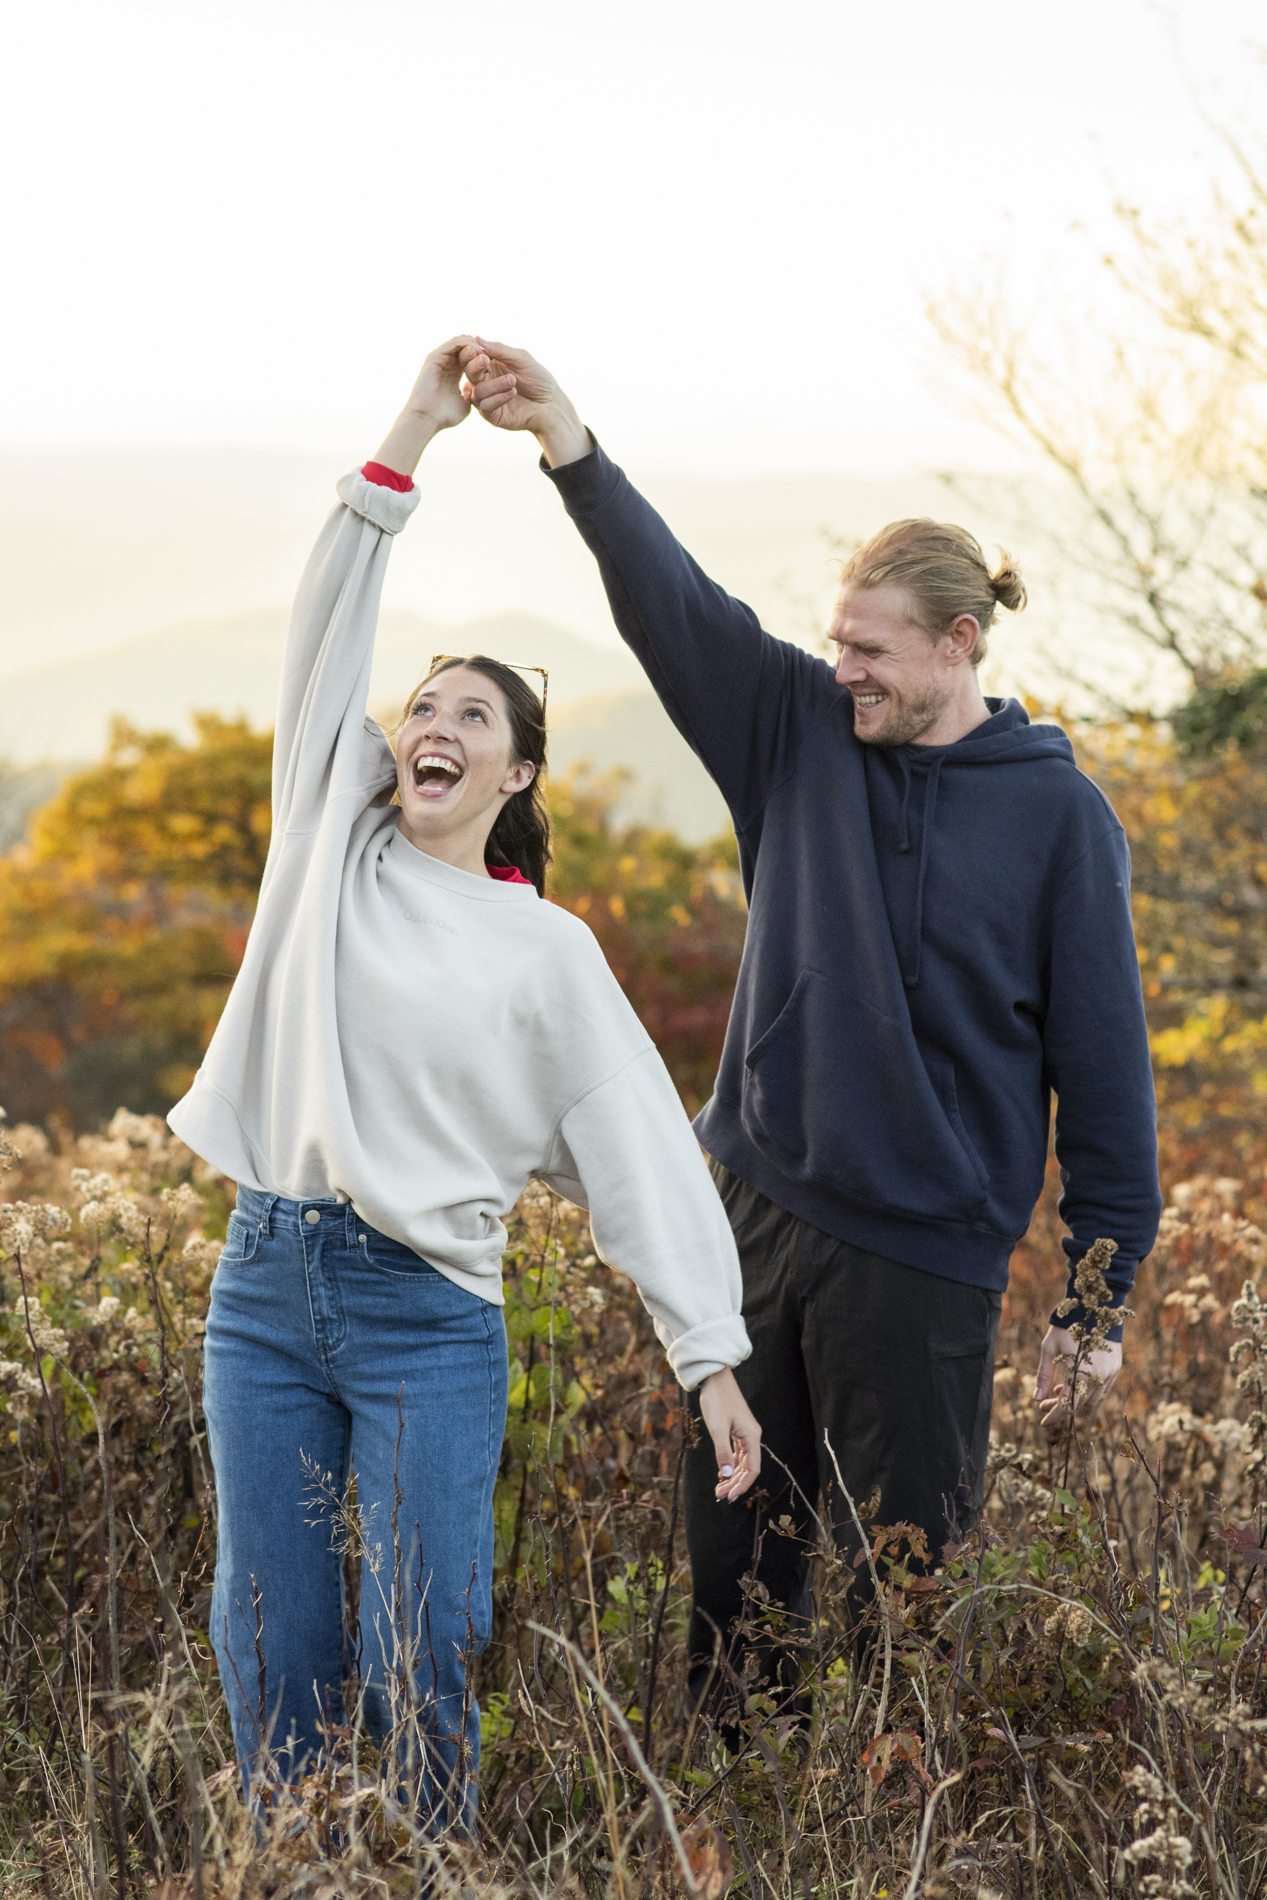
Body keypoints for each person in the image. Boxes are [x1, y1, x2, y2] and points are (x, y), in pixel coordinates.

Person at [457, 338, 1163, 1713]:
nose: (845, 670)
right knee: (732, 1574)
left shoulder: (1059, 819)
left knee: (911, 1592)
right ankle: (743, 1812)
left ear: (962, 644)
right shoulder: (795, 729)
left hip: (925, 1252)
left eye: (873, 650)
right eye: (837, 641)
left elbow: (1105, 1065)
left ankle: (899, 1831)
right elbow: (677, 608)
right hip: (752, 1214)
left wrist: (1098, 1293)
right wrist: (571, 447)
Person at [167, 338, 763, 1822]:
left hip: (427, 1313)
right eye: (423, 706)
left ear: (515, 778)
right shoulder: (325, 849)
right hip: (264, 1287)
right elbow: (325, 627)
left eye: (473, 719)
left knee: (421, 1630)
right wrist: (416, 430)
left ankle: (436, 1860)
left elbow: (635, 1145)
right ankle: (290, 1859)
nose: (434, 725)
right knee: (273, 1630)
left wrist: (709, 1353)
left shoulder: (544, 953)